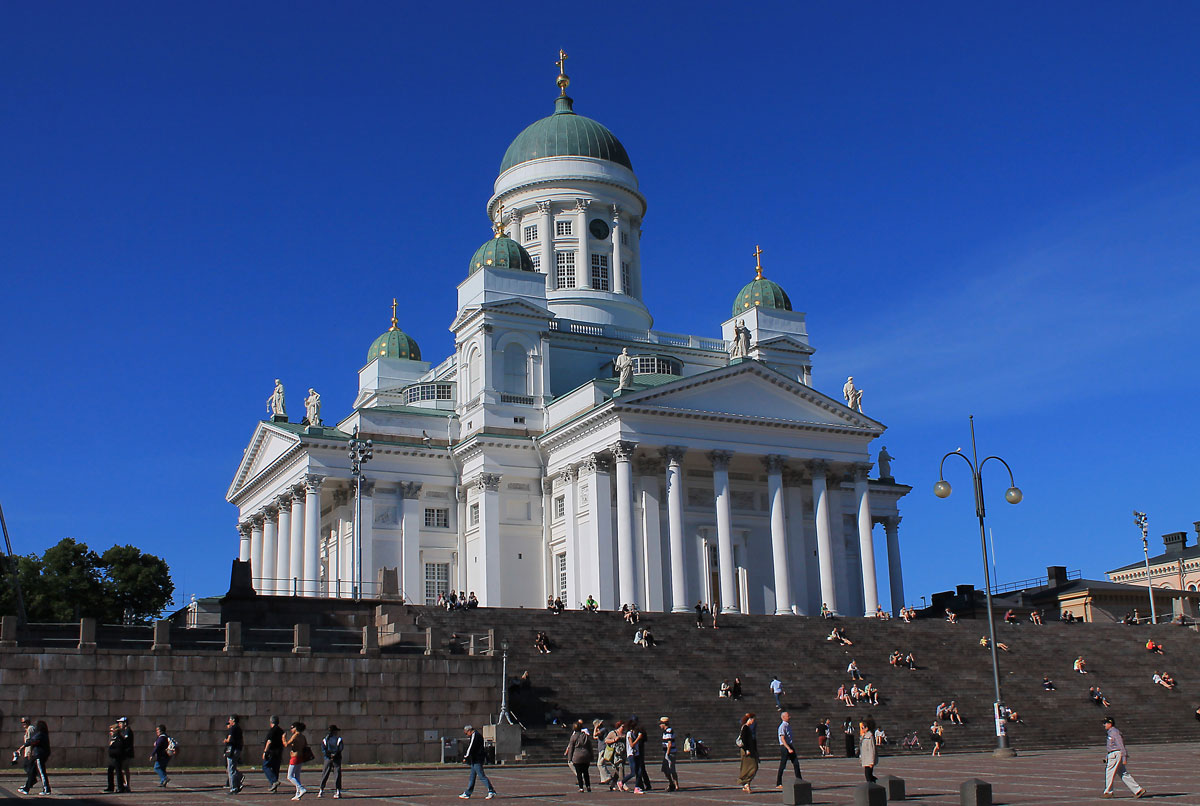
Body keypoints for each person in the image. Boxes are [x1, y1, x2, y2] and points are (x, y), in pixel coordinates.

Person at [1101, 716, 1146, 798]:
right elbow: (1111, 747)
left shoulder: (1114, 732)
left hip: (1116, 754)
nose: (1104, 725)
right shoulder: (1110, 732)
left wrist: (1124, 757)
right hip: (1113, 754)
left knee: (1109, 772)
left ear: (1110, 724)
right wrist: (1107, 757)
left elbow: (1120, 745)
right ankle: (1138, 790)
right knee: (1123, 773)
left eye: (1105, 723)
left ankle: (1108, 792)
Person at [459, 724, 496, 800]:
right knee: (472, 777)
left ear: (469, 731)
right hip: (474, 759)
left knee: (482, 776)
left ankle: (491, 790)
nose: (467, 735)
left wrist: (466, 757)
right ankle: (467, 793)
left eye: (466, 733)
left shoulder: (475, 735)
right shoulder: (476, 735)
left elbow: (471, 747)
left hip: (477, 759)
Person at [17, 719, 51, 796]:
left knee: (41, 773)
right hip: (39, 755)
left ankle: (46, 789)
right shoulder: (43, 734)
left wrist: (22, 747)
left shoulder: (40, 734)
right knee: (32, 772)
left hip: (39, 755)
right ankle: (26, 788)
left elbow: (32, 741)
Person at [775, 711, 803, 789]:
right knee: (783, 765)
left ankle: (799, 780)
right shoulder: (782, 726)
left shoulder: (788, 725)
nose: (789, 717)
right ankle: (778, 782)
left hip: (789, 745)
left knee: (796, 763)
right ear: (783, 717)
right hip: (785, 747)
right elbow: (782, 739)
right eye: (788, 716)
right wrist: (788, 748)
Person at [565, 719, 594, 793]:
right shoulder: (586, 736)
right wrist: (592, 756)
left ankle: (581, 787)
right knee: (586, 772)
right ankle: (588, 786)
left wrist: (569, 758)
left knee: (579, 773)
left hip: (577, 756)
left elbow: (571, 748)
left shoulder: (573, 737)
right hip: (586, 755)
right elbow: (590, 747)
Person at [283, 721, 309, 800]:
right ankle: (297, 794)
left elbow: (286, 744)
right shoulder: (303, 736)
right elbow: (305, 745)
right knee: (297, 776)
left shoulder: (295, 736)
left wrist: (283, 738)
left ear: (296, 728)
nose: (291, 730)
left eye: (292, 728)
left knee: (290, 776)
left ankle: (301, 788)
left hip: (295, 757)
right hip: (300, 757)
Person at [619, 719, 645, 793]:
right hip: (631, 755)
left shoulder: (634, 733)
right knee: (633, 772)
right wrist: (638, 738)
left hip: (636, 754)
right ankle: (621, 782)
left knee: (639, 771)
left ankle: (637, 787)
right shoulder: (629, 734)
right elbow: (632, 744)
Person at [319, 725, 344, 799]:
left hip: (327, 758)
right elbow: (340, 748)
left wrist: (329, 755)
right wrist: (334, 754)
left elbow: (323, 749)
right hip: (336, 758)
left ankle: (321, 790)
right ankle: (338, 791)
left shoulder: (325, 739)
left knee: (325, 773)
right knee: (337, 774)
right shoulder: (338, 739)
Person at [599, 721, 624, 790]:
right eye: (622, 726)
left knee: (617, 770)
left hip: (622, 754)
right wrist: (614, 740)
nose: (624, 728)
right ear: (618, 726)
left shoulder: (624, 733)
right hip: (615, 754)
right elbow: (606, 740)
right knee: (620, 767)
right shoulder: (613, 733)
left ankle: (613, 784)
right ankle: (623, 784)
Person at [736, 713, 758, 793]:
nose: (753, 721)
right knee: (752, 767)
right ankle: (745, 783)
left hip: (750, 750)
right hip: (747, 751)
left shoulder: (748, 728)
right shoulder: (745, 728)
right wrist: (747, 749)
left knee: (750, 767)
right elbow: (744, 739)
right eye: (752, 719)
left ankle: (746, 784)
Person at [263, 715, 285, 793]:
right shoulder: (281, 731)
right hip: (279, 752)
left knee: (266, 766)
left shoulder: (272, 730)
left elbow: (269, 741)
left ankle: (274, 781)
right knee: (275, 769)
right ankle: (274, 787)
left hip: (271, 752)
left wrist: (265, 751)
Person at [224, 714, 245, 794]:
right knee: (232, 768)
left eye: (230, 720)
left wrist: (225, 740)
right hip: (238, 749)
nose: (229, 721)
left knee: (231, 769)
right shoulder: (239, 729)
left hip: (232, 750)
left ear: (233, 720)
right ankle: (238, 783)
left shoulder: (232, 728)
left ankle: (233, 788)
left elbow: (229, 739)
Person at [105, 723, 127, 793]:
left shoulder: (119, 738)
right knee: (110, 771)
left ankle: (120, 787)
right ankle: (111, 786)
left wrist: (111, 750)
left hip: (117, 758)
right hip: (113, 758)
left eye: (112, 731)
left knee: (118, 772)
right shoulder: (114, 738)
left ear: (115, 731)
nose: (110, 733)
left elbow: (119, 749)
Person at [659, 716, 679, 792]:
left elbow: (669, 744)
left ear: (664, 724)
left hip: (670, 753)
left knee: (672, 769)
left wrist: (667, 754)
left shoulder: (669, 731)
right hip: (667, 753)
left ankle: (676, 785)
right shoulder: (665, 731)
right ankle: (671, 784)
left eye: (661, 724)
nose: (660, 725)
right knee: (665, 769)